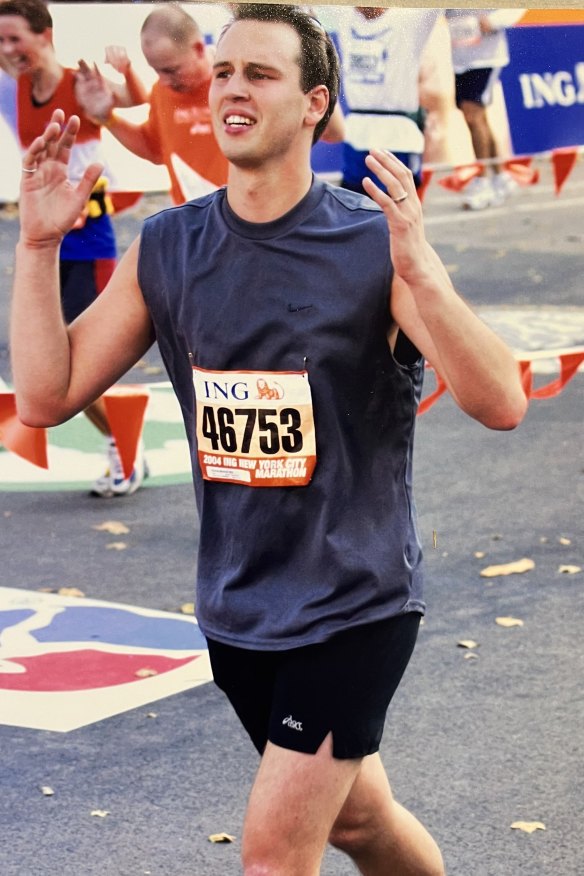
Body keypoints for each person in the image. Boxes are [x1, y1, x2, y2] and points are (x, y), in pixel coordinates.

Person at [11, 5, 528, 873]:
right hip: (239, 604)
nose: (232, 90)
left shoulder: (369, 244)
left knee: (273, 854)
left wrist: (423, 272)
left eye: (261, 75)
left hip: (352, 603)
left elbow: (502, 402)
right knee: (364, 824)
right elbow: (46, 394)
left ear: (314, 103)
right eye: (223, 73)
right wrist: (34, 244)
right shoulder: (169, 246)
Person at [0, 0, 149, 496]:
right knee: (47, 360)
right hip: (44, 240)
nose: (7, 50)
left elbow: (133, 99)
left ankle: (126, 449)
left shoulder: (77, 83)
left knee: (76, 364)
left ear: (45, 34)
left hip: (88, 240)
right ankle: (122, 446)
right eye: (0, 42)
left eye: (15, 38)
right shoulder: (17, 87)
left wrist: (122, 77)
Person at [76, 2, 230, 205]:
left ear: (199, 48)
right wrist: (108, 118)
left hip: (244, 220)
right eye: (156, 70)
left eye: (171, 70)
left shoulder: (235, 82)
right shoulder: (162, 91)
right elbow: (154, 149)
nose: (164, 81)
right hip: (191, 221)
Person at [325, 5, 441, 194]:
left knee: (396, 212)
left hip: (398, 135)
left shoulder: (411, 20)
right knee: (354, 213)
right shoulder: (345, 15)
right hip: (357, 134)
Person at [446, 8, 526, 210]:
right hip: (460, 58)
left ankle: (483, 182)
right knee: (476, 118)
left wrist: (493, 20)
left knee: (473, 115)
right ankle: (500, 177)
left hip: (486, 57)